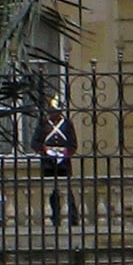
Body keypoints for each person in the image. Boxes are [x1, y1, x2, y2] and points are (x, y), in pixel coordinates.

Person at [36, 83, 79, 230]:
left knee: (67, 190)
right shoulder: (43, 124)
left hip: (63, 162)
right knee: (51, 191)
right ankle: (54, 217)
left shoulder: (67, 124)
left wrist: (64, 154)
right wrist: (46, 151)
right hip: (48, 162)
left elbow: (73, 144)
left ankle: (72, 217)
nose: (54, 115)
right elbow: (36, 143)